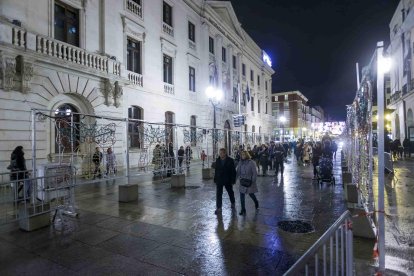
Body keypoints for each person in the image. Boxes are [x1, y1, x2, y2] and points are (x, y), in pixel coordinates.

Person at [214, 148, 236, 215]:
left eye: (221, 153)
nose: (220, 154)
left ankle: (233, 202)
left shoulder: (230, 160)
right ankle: (219, 207)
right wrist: (215, 178)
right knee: (219, 194)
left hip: (227, 179)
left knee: (230, 192)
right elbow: (216, 170)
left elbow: (233, 171)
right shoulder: (217, 160)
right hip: (219, 180)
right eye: (219, 153)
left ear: (225, 153)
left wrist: (233, 180)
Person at [236, 150, 259, 216]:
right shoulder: (240, 162)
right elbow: (238, 172)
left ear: (247, 155)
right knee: (241, 196)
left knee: (251, 194)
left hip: (250, 181)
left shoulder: (251, 162)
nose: (242, 156)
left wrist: (253, 181)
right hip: (243, 181)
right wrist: (234, 180)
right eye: (242, 154)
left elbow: (255, 173)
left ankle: (256, 202)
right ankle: (243, 209)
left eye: (244, 154)